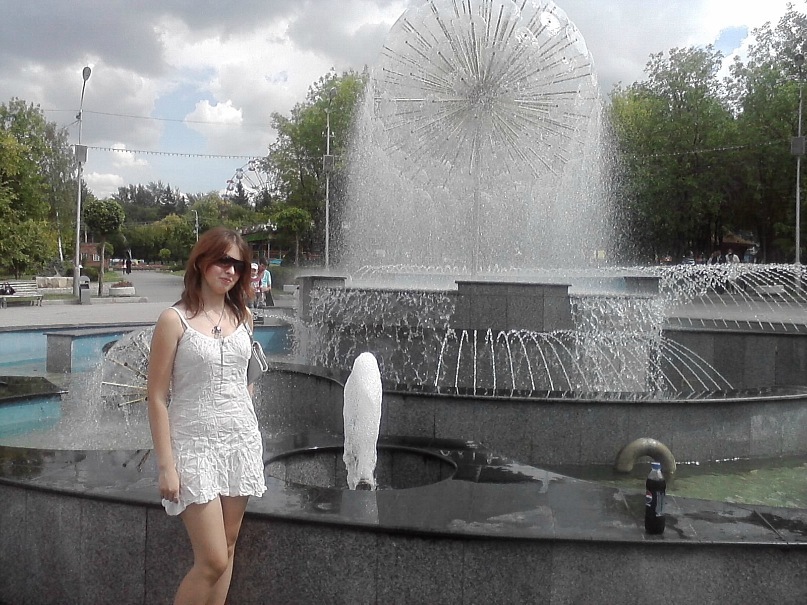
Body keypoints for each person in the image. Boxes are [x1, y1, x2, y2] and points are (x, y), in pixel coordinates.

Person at [147, 226, 266, 604]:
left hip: (240, 443)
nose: (230, 270)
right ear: (201, 262)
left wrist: (246, 419)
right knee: (212, 559)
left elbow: (246, 380)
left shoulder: (243, 317)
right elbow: (156, 397)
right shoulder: (174, 320)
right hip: (194, 447)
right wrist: (166, 466)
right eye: (223, 261)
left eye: (239, 265)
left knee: (228, 547)